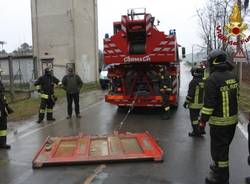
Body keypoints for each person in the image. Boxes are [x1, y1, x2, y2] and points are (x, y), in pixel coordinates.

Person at [198, 49, 238, 184]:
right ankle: (217, 168)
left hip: (219, 125)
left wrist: (202, 121)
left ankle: (221, 179)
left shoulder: (212, 80)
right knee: (223, 149)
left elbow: (208, 106)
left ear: (213, 62)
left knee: (220, 154)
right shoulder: (233, 76)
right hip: (232, 122)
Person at [183, 66, 204, 137]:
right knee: (198, 117)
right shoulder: (203, 81)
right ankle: (201, 130)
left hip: (194, 104)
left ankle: (195, 132)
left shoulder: (193, 82)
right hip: (201, 103)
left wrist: (186, 102)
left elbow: (190, 94)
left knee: (194, 119)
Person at [0, 77, 13, 149]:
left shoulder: (0, 83)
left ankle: (2, 143)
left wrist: (6, 105)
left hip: (2, 107)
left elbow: (3, 96)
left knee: (3, 127)